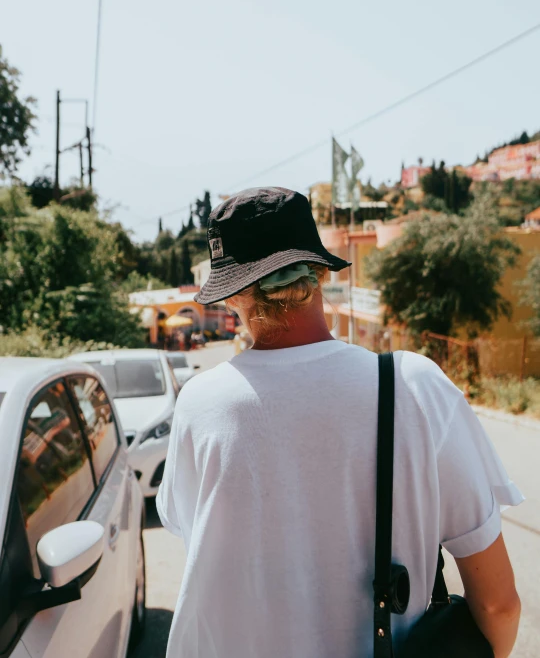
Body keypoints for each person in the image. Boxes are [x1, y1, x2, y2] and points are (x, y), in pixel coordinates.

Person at [157, 186, 522, 658]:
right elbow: (498, 607)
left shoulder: (197, 404)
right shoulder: (412, 386)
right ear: (322, 272)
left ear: (233, 297)